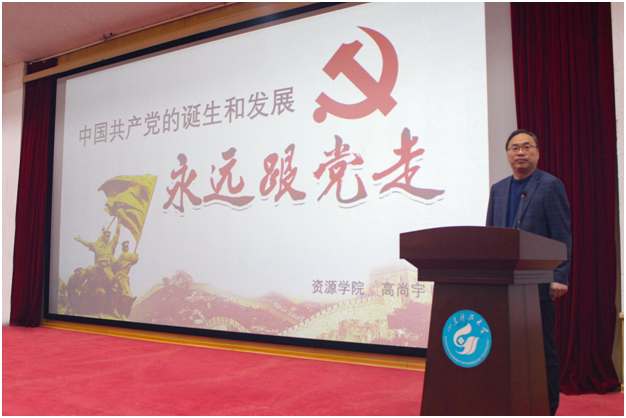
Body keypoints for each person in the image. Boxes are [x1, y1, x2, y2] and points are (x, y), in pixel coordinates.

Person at [486, 129, 571, 416]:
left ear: (537, 153)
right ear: (507, 154)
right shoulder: (498, 189)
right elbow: (490, 235)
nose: (520, 152)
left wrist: (559, 276)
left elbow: (561, 235)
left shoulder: (550, 186)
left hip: (537, 282)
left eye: (526, 147)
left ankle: (547, 407)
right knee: (505, 347)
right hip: (503, 285)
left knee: (541, 348)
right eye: (514, 148)